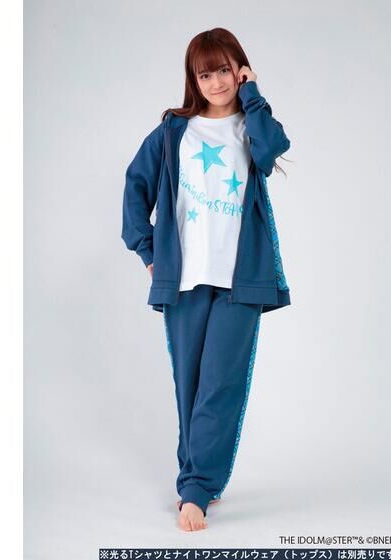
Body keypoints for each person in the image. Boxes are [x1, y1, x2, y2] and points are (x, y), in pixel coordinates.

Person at [121, 27, 291, 532]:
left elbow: (271, 150)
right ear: (193, 80)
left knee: (220, 384)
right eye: (204, 74)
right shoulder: (174, 131)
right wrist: (148, 251)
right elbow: (135, 187)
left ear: (239, 70)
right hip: (184, 281)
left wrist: (253, 93)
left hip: (241, 280)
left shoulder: (252, 127)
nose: (216, 82)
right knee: (190, 387)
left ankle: (195, 489)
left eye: (224, 70)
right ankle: (196, 479)